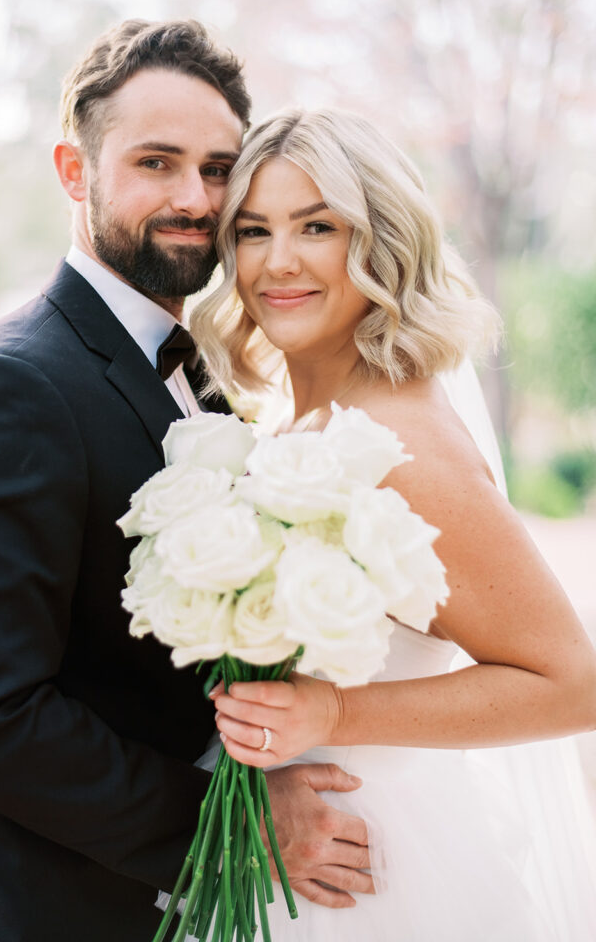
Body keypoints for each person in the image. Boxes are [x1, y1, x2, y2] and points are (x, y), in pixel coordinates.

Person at [0, 23, 377, 942]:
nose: (195, 197)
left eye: (219, 168)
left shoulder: (196, 377)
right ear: (75, 171)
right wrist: (235, 829)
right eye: (157, 162)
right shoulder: (13, 388)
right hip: (22, 912)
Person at [192, 108, 596, 940]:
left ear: (380, 241)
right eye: (255, 230)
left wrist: (333, 716)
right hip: (284, 855)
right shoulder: (299, 425)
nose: (279, 261)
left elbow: (572, 683)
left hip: (375, 878)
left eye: (318, 226)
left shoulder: (403, 445)